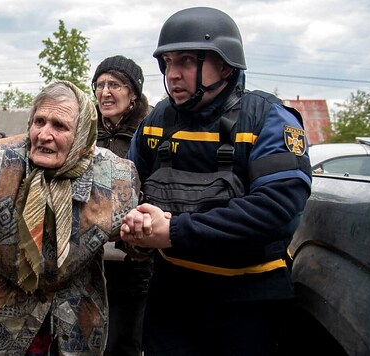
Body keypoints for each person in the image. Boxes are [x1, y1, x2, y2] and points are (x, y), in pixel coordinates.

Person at [120, 7, 312, 356]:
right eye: (168, 62)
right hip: (172, 298)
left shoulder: (267, 119)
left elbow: (278, 207)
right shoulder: (156, 121)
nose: (173, 74)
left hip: (248, 303)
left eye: (187, 61)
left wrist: (175, 230)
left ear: (225, 65)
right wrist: (135, 222)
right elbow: (128, 191)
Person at [0, 81, 140, 355]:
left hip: (76, 327)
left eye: (59, 126)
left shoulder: (116, 177)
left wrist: (141, 235)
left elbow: (136, 243)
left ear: (82, 135)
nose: (44, 134)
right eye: (39, 121)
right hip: (2, 324)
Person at [91, 55, 152, 356]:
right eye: (100, 85)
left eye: (114, 84)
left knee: (124, 341)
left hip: (134, 257)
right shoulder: (85, 130)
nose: (105, 92)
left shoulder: (149, 131)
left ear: (133, 94)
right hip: (89, 255)